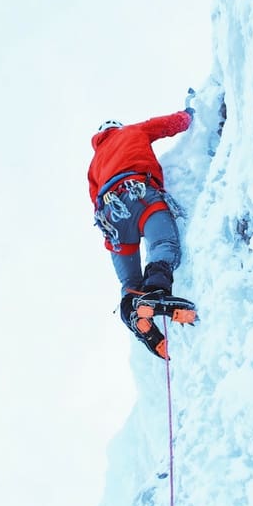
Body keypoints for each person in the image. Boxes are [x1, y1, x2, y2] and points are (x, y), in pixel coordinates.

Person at [88, 107, 195, 359]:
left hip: (112, 217)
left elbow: (94, 199)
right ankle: (156, 292)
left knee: (130, 283)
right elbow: (166, 125)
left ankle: (133, 311)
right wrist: (189, 115)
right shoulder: (133, 131)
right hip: (140, 195)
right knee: (163, 245)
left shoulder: (94, 165)